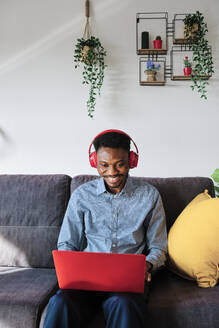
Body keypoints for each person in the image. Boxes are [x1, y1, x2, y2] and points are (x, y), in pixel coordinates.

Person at [43, 129, 167, 328]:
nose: (112, 172)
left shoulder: (149, 196)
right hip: (85, 283)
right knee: (60, 302)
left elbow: (159, 247)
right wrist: (70, 270)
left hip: (126, 285)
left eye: (120, 164)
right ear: (94, 162)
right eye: (104, 165)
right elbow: (67, 243)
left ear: (132, 161)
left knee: (124, 305)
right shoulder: (82, 195)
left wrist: (148, 265)